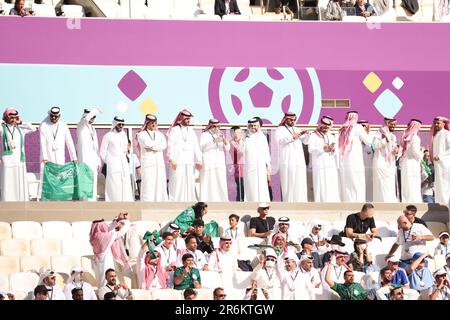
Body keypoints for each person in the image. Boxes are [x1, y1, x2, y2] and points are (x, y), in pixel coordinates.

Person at [167, 109, 203, 202]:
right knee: (177, 181)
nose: (188, 120)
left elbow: (196, 147)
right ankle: (175, 201)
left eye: (189, 119)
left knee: (189, 182)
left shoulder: (191, 131)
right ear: (181, 119)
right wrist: (171, 159)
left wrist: (199, 160)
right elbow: (170, 145)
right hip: (177, 161)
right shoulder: (174, 130)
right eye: (187, 119)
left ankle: (189, 201)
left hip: (189, 162)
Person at [1, 107, 36, 201]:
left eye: (15, 117)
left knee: (18, 181)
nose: (13, 119)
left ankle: (19, 200)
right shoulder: (2, 128)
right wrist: (3, 120)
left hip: (19, 160)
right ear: (6, 117)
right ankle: (7, 200)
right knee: (8, 182)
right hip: (7, 160)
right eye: (11, 117)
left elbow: (33, 128)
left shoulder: (20, 129)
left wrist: (20, 122)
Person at [275, 112, 309, 202]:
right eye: (290, 119)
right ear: (285, 119)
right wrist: (292, 137)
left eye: (294, 120)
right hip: (287, 159)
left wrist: (307, 135)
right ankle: (289, 201)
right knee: (288, 181)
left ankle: (301, 201)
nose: (293, 121)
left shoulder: (297, 129)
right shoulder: (280, 129)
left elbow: (306, 142)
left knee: (299, 180)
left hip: (298, 160)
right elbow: (279, 141)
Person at [338, 111, 371, 202]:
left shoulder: (342, 128)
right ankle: (358, 201)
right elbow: (368, 141)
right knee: (357, 180)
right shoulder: (358, 127)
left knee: (347, 182)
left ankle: (349, 200)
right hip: (355, 160)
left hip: (345, 161)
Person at [99, 116, 133, 201]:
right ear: (115, 124)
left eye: (123, 124)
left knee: (125, 184)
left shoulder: (124, 135)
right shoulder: (108, 136)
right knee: (114, 185)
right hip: (113, 165)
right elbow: (102, 153)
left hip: (123, 165)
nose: (121, 126)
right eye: (119, 124)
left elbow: (125, 150)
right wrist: (110, 162)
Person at [135, 114, 168, 201]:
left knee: (160, 184)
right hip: (148, 164)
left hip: (159, 163)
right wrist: (157, 145)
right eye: (152, 123)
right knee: (148, 184)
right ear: (147, 123)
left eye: (155, 123)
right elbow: (146, 143)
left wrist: (153, 148)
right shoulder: (141, 134)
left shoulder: (160, 134)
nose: (154, 124)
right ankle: (147, 203)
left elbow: (164, 145)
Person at [89, 219, 130, 287]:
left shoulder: (95, 236)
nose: (106, 227)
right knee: (105, 284)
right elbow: (120, 233)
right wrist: (127, 221)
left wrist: (117, 220)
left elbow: (108, 229)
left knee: (102, 283)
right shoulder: (103, 237)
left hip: (99, 263)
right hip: (105, 264)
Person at [308, 116, 340, 202]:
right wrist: (323, 149)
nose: (326, 129)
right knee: (321, 185)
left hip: (331, 165)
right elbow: (310, 149)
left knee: (331, 185)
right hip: (320, 165)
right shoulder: (314, 135)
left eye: (328, 127)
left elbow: (336, 151)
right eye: (324, 127)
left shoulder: (331, 136)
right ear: (321, 125)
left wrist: (333, 150)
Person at [242, 117, 271, 202]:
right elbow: (241, 150)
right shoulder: (246, 137)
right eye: (251, 126)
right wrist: (242, 140)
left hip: (261, 167)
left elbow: (266, 153)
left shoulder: (263, 137)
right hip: (250, 166)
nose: (253, 127)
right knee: (251, 186)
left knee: (262, 187)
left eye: (255, 125)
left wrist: (268, 167)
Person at [199, 119, 229, 202]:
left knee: (220, 181)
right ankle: (207, 200)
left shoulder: (220, 134)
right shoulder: (204, 135)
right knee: (209, 181)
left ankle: (222, 200)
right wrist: (213, 141)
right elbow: (201, 147)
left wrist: (224, 140)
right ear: (210, 126)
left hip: (219, 163)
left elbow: (227, 148)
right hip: (209, 162)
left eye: (218, 126)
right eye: (214, 126)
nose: (216, 128)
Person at [76, 108, 101, 201]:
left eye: (94, 117)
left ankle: (92, 200)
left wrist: (98, 161)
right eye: (91, 116)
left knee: (93, 180)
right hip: (84, 158)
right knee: (85, 180)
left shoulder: (93, 129)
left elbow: (96, 146)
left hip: (93, 159)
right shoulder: (80, 126)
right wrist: (95, 110)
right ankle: (85, 201)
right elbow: (85, 120)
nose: (92, 118)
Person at [373, 117, 399, 202]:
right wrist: (385, 140)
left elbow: (393, 148)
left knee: (390, 183)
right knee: (382, 183)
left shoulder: (393, 136)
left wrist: (396, 151)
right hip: (381, 162)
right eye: (392, 124)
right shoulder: (379, 133)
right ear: (387, 123)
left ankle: (390, 201)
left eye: (394, 124)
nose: (393, 126)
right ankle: (383, 201)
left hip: (390, 163)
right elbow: (375, 145)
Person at [399, 119, 423, 203]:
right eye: (419, 126)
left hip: (405, 163)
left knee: (407, 183)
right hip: (413, 163)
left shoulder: (405, 136)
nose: (419, 128)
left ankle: (406, 200)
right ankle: (414, 201)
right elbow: (415, 152)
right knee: (414, 182)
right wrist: (421, 154)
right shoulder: (415, 137)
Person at [430, 116, 450, 204]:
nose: (436, 125)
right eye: (435, 123)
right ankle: (439, 202)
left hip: (445, 164)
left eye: (438, 123)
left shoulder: (447, 133)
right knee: (439, 184)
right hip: (438, 164)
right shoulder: (436, 135)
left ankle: (446, 203)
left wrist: (440, 156)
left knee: (445, 183)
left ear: (444, 123)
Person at [358, 120, 376, 202]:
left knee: (370, 185)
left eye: (363, 125)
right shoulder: (355, 137)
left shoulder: (373, 137)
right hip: (358, 168)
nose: (362, 127)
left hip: (370, 167)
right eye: (360, 126)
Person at [229, 126, 245, 201]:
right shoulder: (232, 143)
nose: (240, 134)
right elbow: (240, 152)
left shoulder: (242, 142)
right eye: (238, 132)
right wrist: (242, 141)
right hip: (239, 170)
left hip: (247, 170)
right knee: (241, 190)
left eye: (241, 132)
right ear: (233, 134)